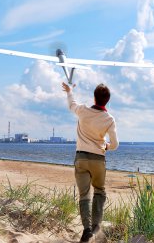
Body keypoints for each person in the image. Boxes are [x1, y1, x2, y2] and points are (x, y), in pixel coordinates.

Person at [62, 82, 119, 243]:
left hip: (81, 158)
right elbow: (115, 145)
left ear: (94, 98)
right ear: (107, 101)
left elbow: (71, 104)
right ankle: (95, 227)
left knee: (84, 195)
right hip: (98, 160)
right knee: (100, 191)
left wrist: (69, 91)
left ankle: (86, 230)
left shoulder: (83, 110)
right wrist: (106, 146)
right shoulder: (109, 119)